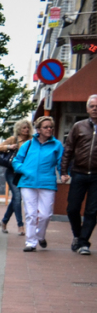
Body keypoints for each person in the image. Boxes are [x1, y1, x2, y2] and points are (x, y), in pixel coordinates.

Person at [12, 116, 66, 252]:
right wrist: (25, 170)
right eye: (46, 127)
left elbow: (61, 162)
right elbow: (16, 161)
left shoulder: (57, 145)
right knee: (30, 214)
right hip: (27, 183)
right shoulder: (28, 144)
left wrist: (64, 173)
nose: (49, 129)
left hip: (47, 183)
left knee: (45, 215)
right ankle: (31, 242)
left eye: (51, 127)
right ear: (38, 130)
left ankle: (40, 236)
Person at [61, 93, 97, 255]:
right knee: (72, 208)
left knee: (92, 211)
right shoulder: (79, 126)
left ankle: (84, 243)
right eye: (92, 106)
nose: (95, 109)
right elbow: (68, 150)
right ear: (87, 109)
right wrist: (63, 171)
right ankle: (77, 235)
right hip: (79, 173)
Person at [0, 117, 32, 235]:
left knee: (16, 198)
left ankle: (4, 221)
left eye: (27, 128)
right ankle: (20, 225)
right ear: (18, 129)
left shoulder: (32, 140)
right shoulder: (13, 139)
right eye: (23, 128)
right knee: (17, 196)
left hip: (24, 173)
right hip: (12, 172)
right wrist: (9, 147)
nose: (26, 130)